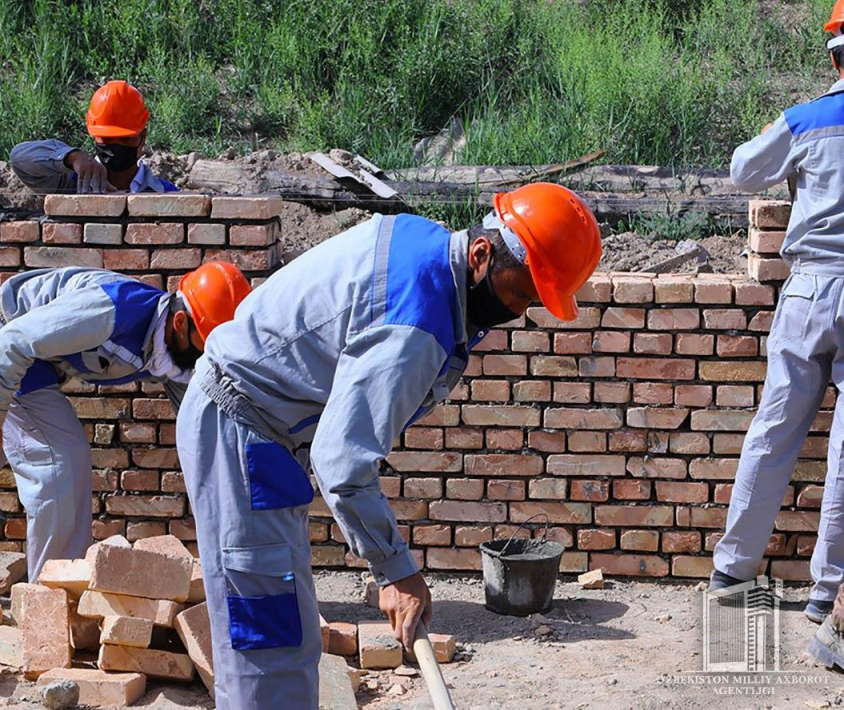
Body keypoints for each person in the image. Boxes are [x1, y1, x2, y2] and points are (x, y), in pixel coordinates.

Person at [175, 183, 602, 708]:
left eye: (536, 302)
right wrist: (395, 570)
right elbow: (342, 462)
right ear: (483, 253)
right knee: (267, 638)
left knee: (291, 629)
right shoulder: (415, 323)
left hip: (262, 428)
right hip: (240, 428)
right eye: (520, 293)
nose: (519, 310)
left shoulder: (420, 240)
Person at [0, 262, 251, 593]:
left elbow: (198, 428)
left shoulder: (175, 351)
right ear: (180, 322)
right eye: (205, 342)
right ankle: (55, 596)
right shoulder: (114, 310)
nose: (206, 355)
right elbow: (13, 341)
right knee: (60, 457)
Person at [711, 0, 844, 628]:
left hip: (810, 290)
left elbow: (742, 172)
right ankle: (828, 593)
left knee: (773, 432)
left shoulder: (807, 120)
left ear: (833, 54)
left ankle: (732, 571)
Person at [10, 80, 178, 195]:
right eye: (106, 139)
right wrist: (72, 157)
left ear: (142, 137)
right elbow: (19, 158)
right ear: (94, 136)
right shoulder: (71, 183)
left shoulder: (166, 194)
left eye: (125, 138)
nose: (115, 146)